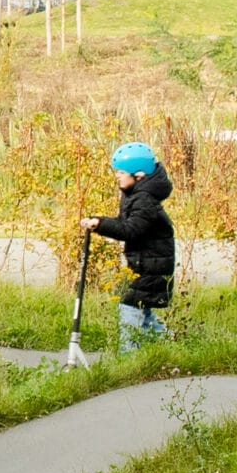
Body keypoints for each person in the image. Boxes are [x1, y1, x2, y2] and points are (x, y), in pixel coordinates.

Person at [87, 140, 174, 350]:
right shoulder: (136, 195)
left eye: (121, 172)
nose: (117, 176)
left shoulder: (144, 200)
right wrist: (99, 221)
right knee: (142, 312)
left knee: (130, 306)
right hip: (143, 264)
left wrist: (100, 225)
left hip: (150, 268)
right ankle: (175, 344)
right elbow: (125, 224)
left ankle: (128, 355)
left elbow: (130, 230)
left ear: (139, 175)